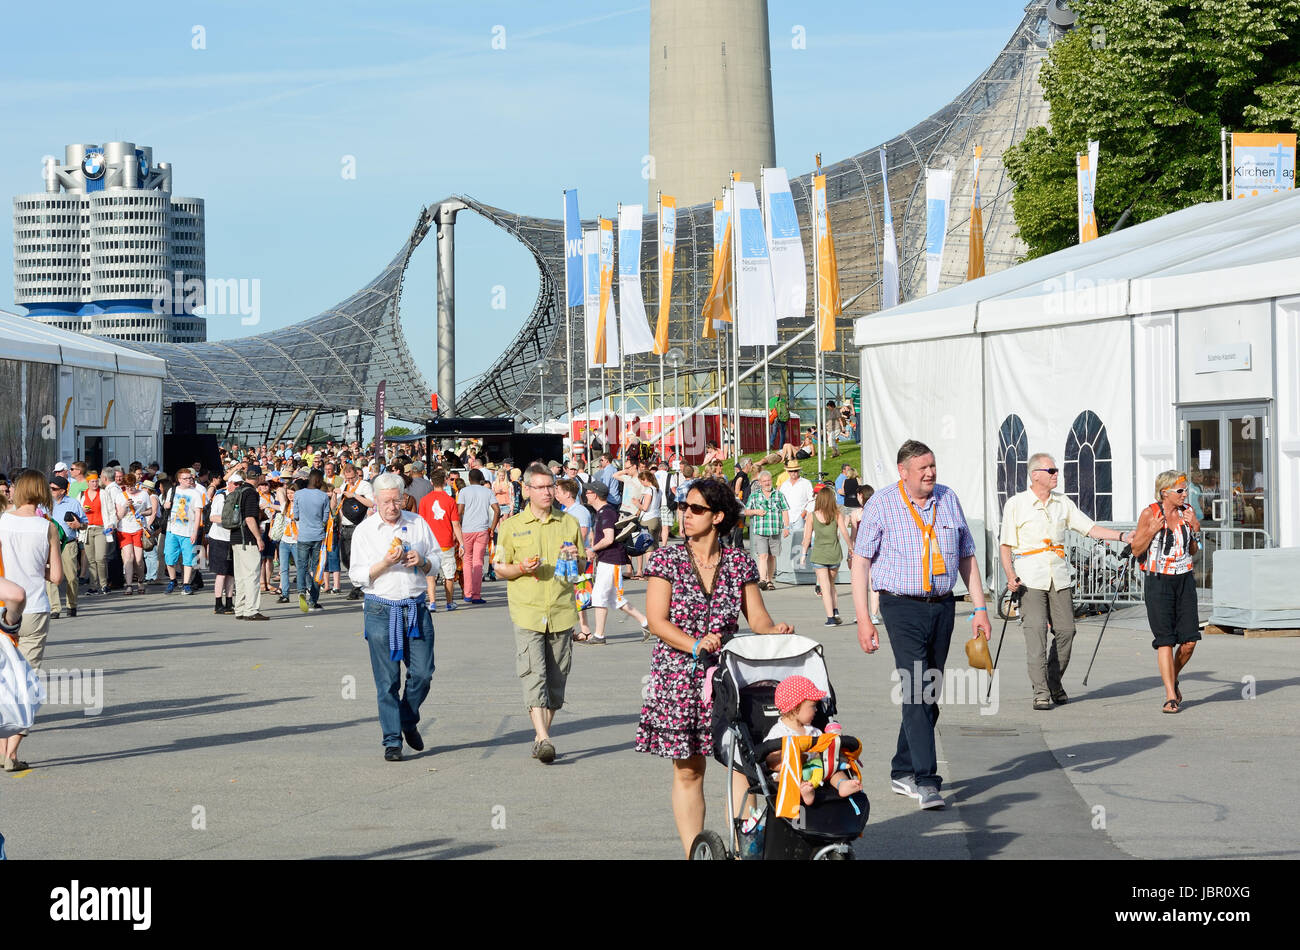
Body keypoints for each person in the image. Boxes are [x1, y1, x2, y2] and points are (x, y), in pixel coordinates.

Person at [635, 475, 794, 857]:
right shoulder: (667, 558)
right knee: (689, 770)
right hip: (677, 676)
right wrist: (695, 645)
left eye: (695, 509)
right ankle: (698, 853)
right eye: (683, 507)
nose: (685, 515)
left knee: (742, 765)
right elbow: (656, 620)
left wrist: (775, 629)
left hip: (726, 676)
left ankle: (748, 848)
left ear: (718, 516)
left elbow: (756, 617)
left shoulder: (738, 563)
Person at [850, 440, 991, 811]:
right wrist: (864, 619)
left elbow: (967, 556)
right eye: (922, 468)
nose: (930, 473)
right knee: (916, 687)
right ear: (903, 472)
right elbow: (861, 563)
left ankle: (902, 768)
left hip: (943, 606)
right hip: (900, 606)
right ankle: (927, 780)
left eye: (932, 466)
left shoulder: (948, 499)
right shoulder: (881, 503)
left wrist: (979, 608)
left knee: (930, 690)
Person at [998, 454, 1131, 709]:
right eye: (1051, 470)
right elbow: (1005, 545)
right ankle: (1041, 692)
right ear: (1035, 474)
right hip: (1030, 577)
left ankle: (1053, 681)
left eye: (1056, 470)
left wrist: (1122, 536)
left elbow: (1089, 528)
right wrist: (1009, 574)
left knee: (1067, 631)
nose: (1056, 474)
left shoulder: (1062, 503)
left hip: (1058, 576)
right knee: (1036, 633)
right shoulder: (1017, 504)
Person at [493, 463, 585, 763]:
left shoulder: (568, 523)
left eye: (551, 487)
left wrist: (575, 558)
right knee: (534, 675)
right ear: (527, 490)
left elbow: (582, 567)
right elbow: (499, 567)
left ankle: (540, 734)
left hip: (561, 609)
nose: (548, 492)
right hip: (527, 611)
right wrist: (520, 568)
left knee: (557, 682)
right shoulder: (510, 526)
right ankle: (545, 738)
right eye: (541, 487)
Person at [349, 473, 439, 761]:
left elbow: (438, 560)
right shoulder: (365, 531)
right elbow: (357, 576)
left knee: (423, 674)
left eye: (396, 500)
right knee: (387, 681)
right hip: (380, 608)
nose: (392, 506)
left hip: (414, 607)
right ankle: (392, 741)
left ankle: (407, 719)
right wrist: (385, 563)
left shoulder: (417, 523)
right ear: (375, 500)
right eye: (386, 500)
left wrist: (422, 561)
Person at [0, 470, 63, 772]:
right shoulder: (47, 527)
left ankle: (1, 749)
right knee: (27, 680)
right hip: (36, 607)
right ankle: (11, 752)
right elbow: (57, 576)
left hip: (5, 605)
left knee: (4, 678)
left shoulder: (3, 521)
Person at [1130, 470, 1202, 714]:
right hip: (1158, 581)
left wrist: (1195, 528)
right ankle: (1170, 695)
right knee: (1166, 641)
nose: (1185, 494)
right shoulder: (1150, 513)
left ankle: (1174, 675)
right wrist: (1151, 530)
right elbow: (1136, 549)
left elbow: (1193, 549)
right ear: (1165, 493)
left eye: (1186, 490)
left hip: (1184, 579)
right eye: (1180, 491)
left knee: (1190, 641)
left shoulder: (1187, 512)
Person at [763, 675, 863, 804]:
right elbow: (771, 761)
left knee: (833, 769)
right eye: (813, 706)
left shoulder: (813, 731)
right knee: (784, 777)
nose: (816, 710)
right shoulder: (779, 732)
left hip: (816, 770)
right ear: (796, 707)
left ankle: (842, 784)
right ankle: (804, 790)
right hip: (794, 773)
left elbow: (824, 751)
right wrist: (798, 757)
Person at [582, 480, 649, 644]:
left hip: (611, 560)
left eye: (588, 492)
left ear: (595, 495)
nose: (585, 495)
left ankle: (599, 635)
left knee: (598, 595)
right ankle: (646, 623)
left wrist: (593, 550)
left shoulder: (606, 512)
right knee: (614, 599)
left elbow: (609, 538)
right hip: (610, 560)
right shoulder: (604, 511)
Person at [800, 486, 853, 626]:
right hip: (834, 554)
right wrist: (850, 547)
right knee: (831, 584)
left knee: (824, 586)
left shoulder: (811, 516)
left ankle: (830, 618)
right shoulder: (837, 515)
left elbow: (806, 538)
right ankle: (835, 610)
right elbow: (844, 532)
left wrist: (803, 554)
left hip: (819, 555)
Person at [417, 470, 463, 612]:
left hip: (430, 543)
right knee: (449, 574)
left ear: (431, 482)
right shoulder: (450, 500)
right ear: (445, 481)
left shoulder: (424, 500)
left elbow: (421, 523)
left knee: (430, 574)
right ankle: (449, 602)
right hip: (446, 541)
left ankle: (432, 602)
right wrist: (462, 543)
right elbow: (456, 524)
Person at [230, 470, 270, 621]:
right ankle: (251, 610)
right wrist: (259, 538)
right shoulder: (252, 493)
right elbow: (249, 518)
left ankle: (239, 609)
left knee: (240, 576)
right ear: (259, 477)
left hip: (235, 537)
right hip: (247, 539)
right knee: (252, 575)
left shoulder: (238, 490)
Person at [46, 476, 85, 619]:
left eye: (54, 489)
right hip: (50, 545)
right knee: (50, 577)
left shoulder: (73, 503)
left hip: (68, 544)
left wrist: (78, 525)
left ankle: (72, 605)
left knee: (71, 577)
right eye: (49, 488)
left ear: (62, 491)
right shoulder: (44, 503)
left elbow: (85, 522)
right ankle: (54, 608)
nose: (51, 491)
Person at [744, 469, 790, 591]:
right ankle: (762, 579)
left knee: (772, 556)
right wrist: (756, 512)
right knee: (763, 555)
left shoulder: (779, 495)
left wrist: (786, 526)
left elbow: (785, 510)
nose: (767, 483)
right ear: (760, 482)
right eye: (764, 481)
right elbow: (745, 511)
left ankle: (769, 580)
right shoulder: (754, 496)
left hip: (775, 529)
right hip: (761, 530)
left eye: (769, 480)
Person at [457, 468, 497, 605]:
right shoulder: (487, 491)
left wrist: (458, 527)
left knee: (467, 560)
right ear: (481, 479)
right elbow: (496, 510)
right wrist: (492, 527)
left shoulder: (463, 491)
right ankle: (476, 594)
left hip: (467, 529)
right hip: (482, 529)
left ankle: (467, 593)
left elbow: (459, 511)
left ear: (469, 479)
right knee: (478, 561)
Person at [293, 470, 331, 612]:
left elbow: (295, 516)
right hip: (318, 535)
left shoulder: (298, 494)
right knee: (317, 569)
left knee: (302, 566)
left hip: (303, 535)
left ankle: (301, 590)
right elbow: (325, 517)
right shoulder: (323, 496)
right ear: (318, 480)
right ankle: (313, 600)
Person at [163, 468, 205, 595]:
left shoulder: (195, 493)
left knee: (188, 559)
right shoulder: (173, 490)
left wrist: (195, 532)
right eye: (186, 478)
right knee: (169, 558)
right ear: (179, 480)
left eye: (190, 478)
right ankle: (173, 580)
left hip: (188, 531)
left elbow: (198, 513)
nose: (189, 480)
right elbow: (166, 504)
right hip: (172, 529)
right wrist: (166, 505)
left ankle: (186, 584)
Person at [114, 471, 155, 597]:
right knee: (128, 558)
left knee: (138, 559)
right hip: (124, 529)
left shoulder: (143, 494)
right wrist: (125, 506)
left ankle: (140, 581)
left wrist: (142, 513)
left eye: (132, 486)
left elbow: (150, 510)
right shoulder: (120, 496)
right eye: (127, 487)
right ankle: (129, 585)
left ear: (136, 484)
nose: (130, 489)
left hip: (138, 529)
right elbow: (118, 516)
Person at [339, 462, 375, 600]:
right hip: (345, 526)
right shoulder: (344, 486)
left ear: (356, 474)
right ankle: (358, 582)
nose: (349, 481)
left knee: (358, 558)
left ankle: (358, 587)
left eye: (352, 478)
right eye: (347, 478)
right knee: (346, 558)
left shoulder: (364, 485)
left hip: (359, 526)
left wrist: (354, 495)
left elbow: (371, 503)